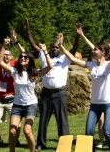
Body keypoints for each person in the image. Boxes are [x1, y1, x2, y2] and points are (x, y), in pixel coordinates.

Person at [24, 19, 79, 150]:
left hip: (60, 93)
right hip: (46, 93)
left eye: (56, 47)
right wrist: (27, 31)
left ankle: (64, 144)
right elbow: (33, 45)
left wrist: (77, 36)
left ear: (60, 48)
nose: (54, 48)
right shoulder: (44, 55)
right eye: (53, 47)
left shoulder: (64, 58)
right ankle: (41, 144)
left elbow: (75, 48)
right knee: (43, 120)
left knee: (62, 120)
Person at [59, 33, 110, 152]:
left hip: (109, 104)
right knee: (88, 132)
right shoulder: (92, 65)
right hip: (95, 105)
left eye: (95, 49)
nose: (93, 51)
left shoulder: (109, 65)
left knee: (107, 132)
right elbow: (72, 59)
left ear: (102, 51)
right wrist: (61, 47)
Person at [78, 20, 110, 148]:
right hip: (97, 101)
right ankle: (99, 144)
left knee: (109, 127)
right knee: (95, 127)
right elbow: (93, 48)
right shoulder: (96, 63)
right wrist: (82, 36)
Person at [0, 43, 53, 152]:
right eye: (21, 57)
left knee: (27, 130)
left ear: (30, 59)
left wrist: (45, 51)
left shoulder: (35, 73)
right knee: (12, 131)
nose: (22, 58)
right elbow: (0, 62)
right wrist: (4, 46)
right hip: (17, 105)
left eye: (25, 57)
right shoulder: (15, 72)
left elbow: (50, 66)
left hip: (30, 105)